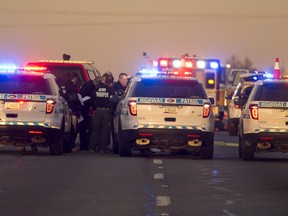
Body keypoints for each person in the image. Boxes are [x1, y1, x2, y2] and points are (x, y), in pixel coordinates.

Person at [89, 74, 117, 153]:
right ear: (110, 82)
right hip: (106, 112)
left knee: (95, 129)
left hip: (97, 111)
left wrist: (94, 109)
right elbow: (114, 100)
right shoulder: (110, 89)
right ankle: (103, 148)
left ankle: (92, 147)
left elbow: (91, 99)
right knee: (105, 130)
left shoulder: (96, 88)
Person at [78, 77, 102, 151]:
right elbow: (85, 97)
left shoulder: (87, 84)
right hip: (84, 109)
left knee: (84, 128)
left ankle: (84, 145)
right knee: (84, 128)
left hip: (83, 109)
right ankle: (84, 145)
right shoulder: (90, 86)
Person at [63, 72, 82, 151]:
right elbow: (73, 100)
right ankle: (70, 147)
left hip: (64, 111)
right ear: (73, 78)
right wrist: (78, 109)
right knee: (73, 130)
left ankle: (67, 146)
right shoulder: (71, 87)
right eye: (76, 79)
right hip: (72, 112)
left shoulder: (62, 86)